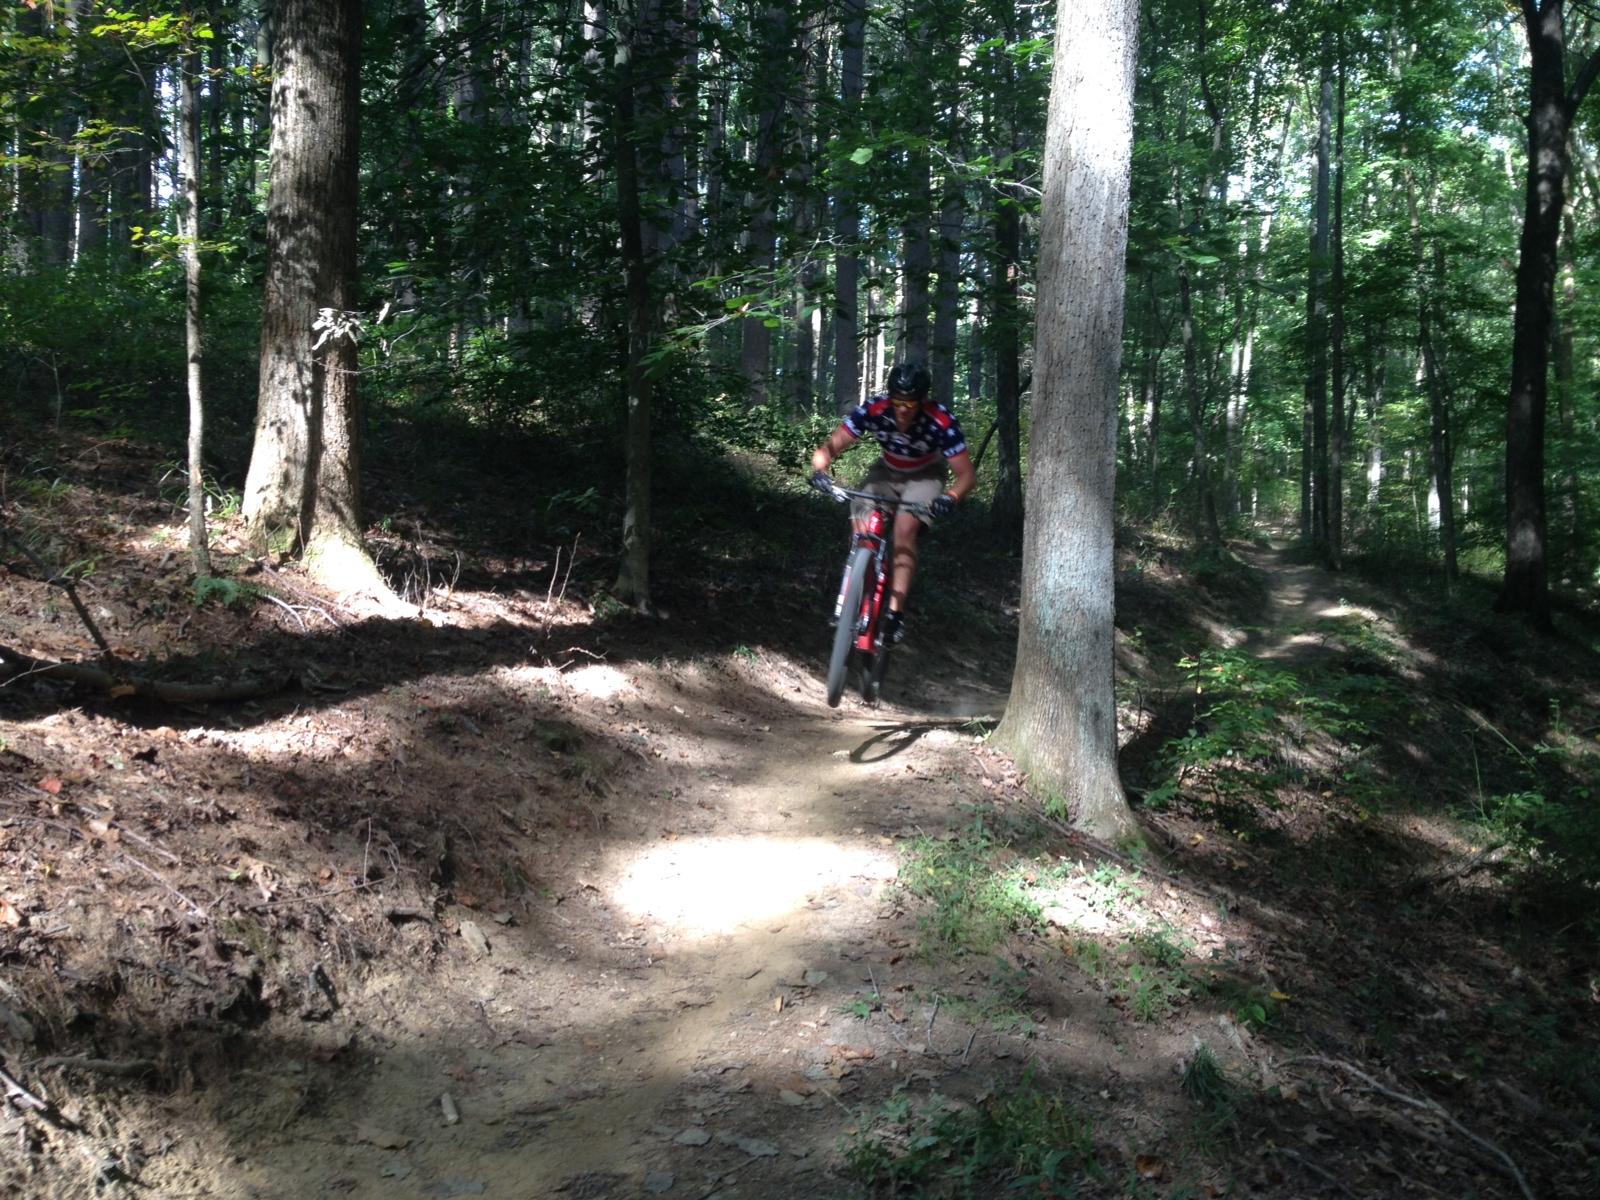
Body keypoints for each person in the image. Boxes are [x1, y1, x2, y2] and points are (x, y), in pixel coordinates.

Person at [808, 362, 976, 643]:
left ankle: (895, 614)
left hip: (925, 474)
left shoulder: (941, 420)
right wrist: (820, 471)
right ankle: (857, 592)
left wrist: (951, 497)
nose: (901, 409)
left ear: (922, 401)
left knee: (904, 529)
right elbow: (829, 448)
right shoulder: (875, 409)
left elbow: (967, 475)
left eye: (909, 404)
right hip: (886, 470)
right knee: (862, 521)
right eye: (897, 401)